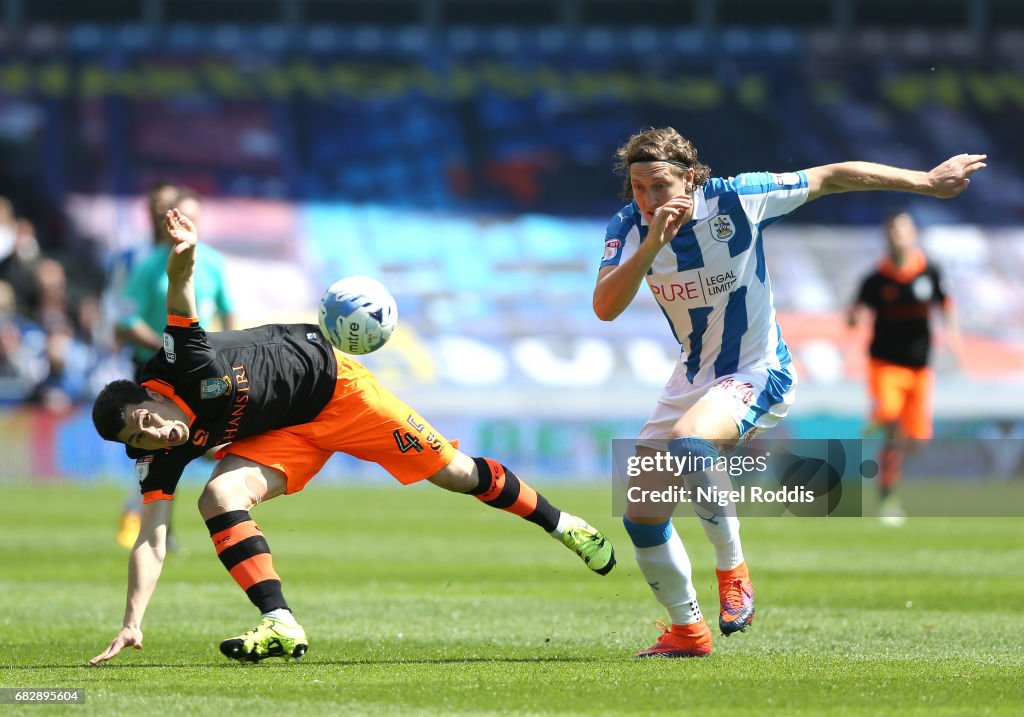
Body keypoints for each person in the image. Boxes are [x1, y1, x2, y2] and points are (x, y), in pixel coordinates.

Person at [89, 209, 616, 665]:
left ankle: (564, 524)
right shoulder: (155, 457)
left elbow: (181, 294)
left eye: (149, 420)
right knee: (218, 495)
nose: (159, 435)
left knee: (458, 475)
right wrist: (133, 620)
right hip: (285, 432)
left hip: (339, 391)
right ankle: (280, 623)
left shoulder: (180, 364)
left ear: (150, 395)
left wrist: (185, 250)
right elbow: (151, 538)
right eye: (146, 440)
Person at [593, 126, 985, 658]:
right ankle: (688, 630)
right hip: (691, 375)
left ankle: (733, 571)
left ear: (690, 177)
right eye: (638, 187)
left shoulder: (739, 198)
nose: (647, 198)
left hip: (757, 369)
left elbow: (830, 177)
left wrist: (926, 181)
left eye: (659, 185)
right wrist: (651, 246)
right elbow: (606, 307)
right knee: (641, 511)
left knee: (690, 442)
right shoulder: (628, 228)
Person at [114, 185, 235, 548]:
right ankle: (151, 527)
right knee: (164, 450)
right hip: (155, 373)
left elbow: (228, 310)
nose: (188, 223)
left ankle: (147, 519)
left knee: (205, 444)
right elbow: (125, 320)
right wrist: (168, 347)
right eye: (183, 217)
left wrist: (227, 351)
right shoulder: (148, 264)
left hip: (202, 371)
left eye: (195, 218)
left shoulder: (213, 262)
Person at [848, 210, 961, 526]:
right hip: (885, 364)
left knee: (916, 439)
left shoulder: (930, 271)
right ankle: (887, 497)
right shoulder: (875, 279)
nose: (899, 235)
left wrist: (952, 335)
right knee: (891, 420)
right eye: (894, 229)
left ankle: (883, 428)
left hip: (920, 368)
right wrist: (854, 318)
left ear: (913, 235)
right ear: (887, 235)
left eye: (904, 229)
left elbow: (946, 304)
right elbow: (854, 312)